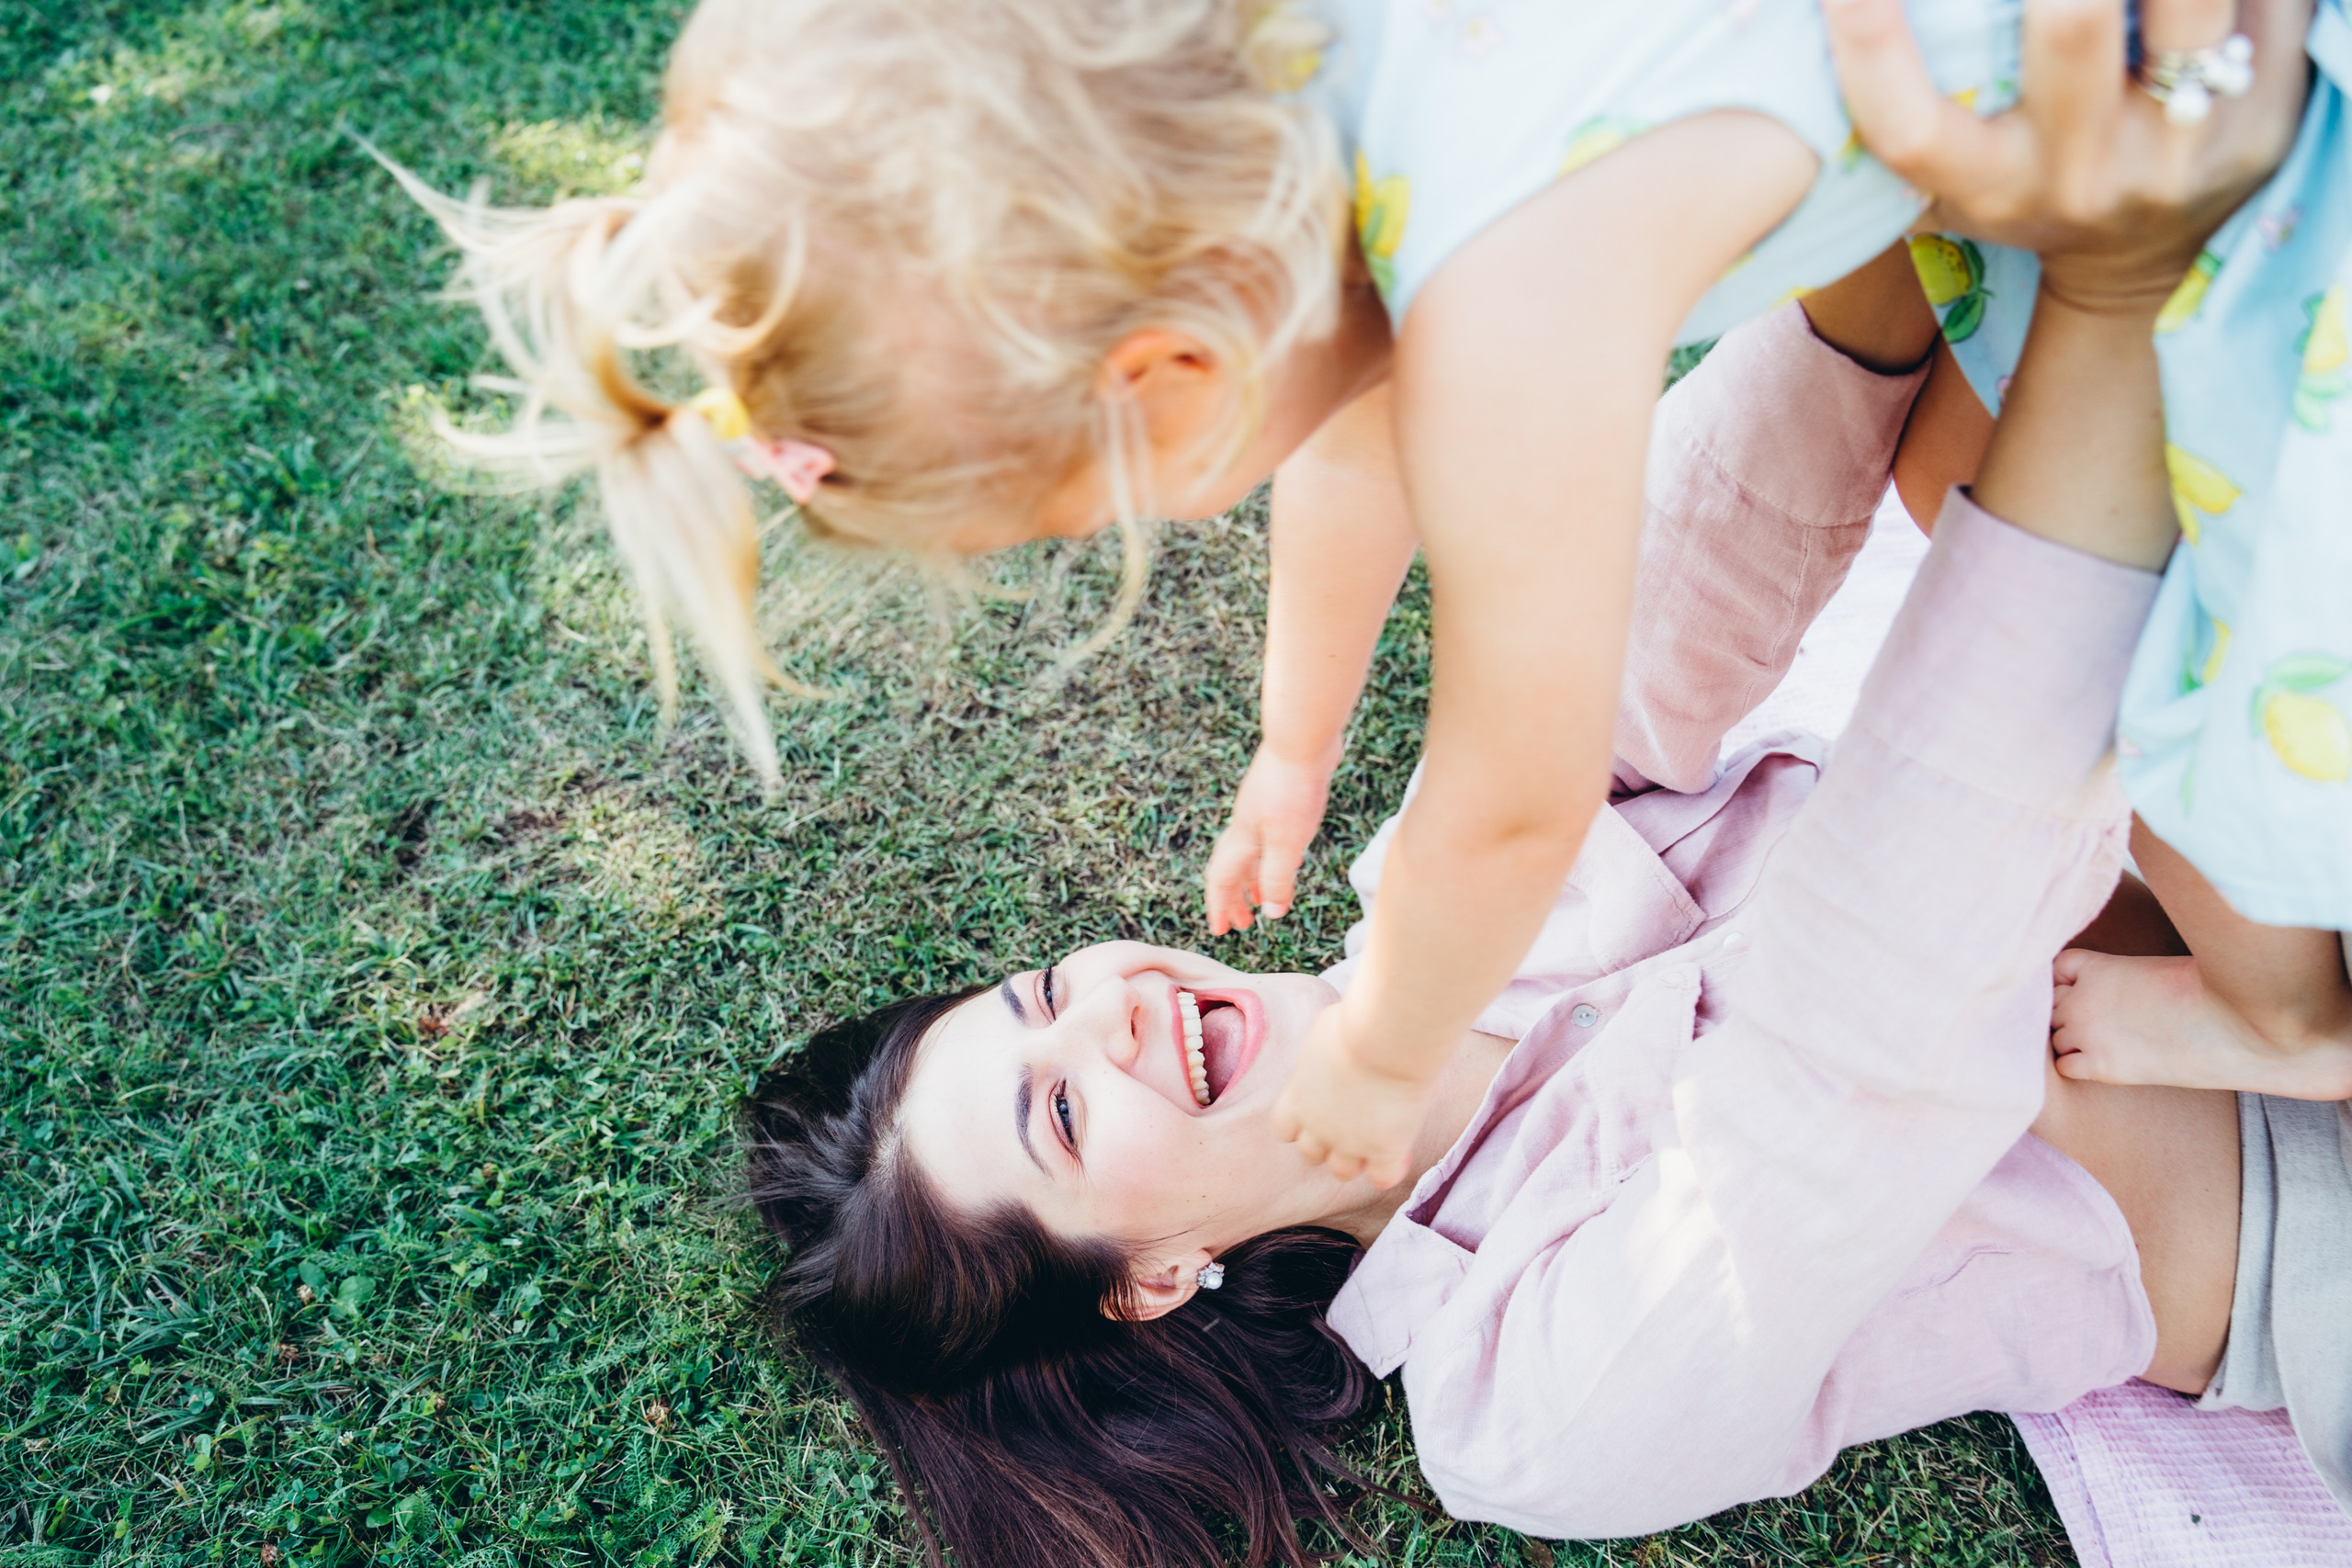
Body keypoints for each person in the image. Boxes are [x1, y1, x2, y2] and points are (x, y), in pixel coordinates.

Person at [740, 48, 2342, 1561]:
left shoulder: (1436, 903)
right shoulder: (1524, 1401)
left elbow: (1686, 564)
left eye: (1044, 996)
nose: (1110, 1017)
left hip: (2273, 891)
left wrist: (1864, 218)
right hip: (2311, 1203)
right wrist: (2113, 307)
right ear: (1149, 1283)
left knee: (2006, 441)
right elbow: (1859, 1043)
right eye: (1067, 1114)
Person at [397, 0, 2300, 1197]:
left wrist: (1382, 1048)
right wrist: (1292, 744)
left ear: (1164, 382)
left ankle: (2297, 1017)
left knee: (2184, 685)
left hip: (2255, 196)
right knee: (1971, 487)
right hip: (2042, 118)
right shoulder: (1327, 95)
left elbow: (1508, 785)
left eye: (1078, 520)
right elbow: (1344, 433)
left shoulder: (1499, 300)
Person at [1820, 0, 2352, 1111]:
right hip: (2190, 145)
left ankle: (2283, 1019)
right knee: (1976, 501)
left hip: (2239, 176)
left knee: (2112, 621)